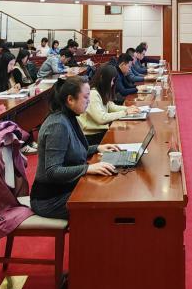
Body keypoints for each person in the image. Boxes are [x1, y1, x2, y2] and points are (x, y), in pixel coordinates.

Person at [29, 76, 117, 219]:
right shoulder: (57, 125)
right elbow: (53, 171)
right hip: (50, 199)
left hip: (64, 188)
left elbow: (72, 151)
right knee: (104, 204)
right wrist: (87, 169)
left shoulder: (68, 116)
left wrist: (98, 148)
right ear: (70, 99)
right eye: (86, 97)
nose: (89, 101)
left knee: (106, 191)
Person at [78, 64, 139, 145]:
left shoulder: (100, 91)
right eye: (111, 80)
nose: (113, 83)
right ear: (102, 78)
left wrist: (128, 108)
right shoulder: (93, 93)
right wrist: (125, 112)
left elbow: (111, 107)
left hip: (99, 132)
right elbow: (101, 118)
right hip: (92, 136)